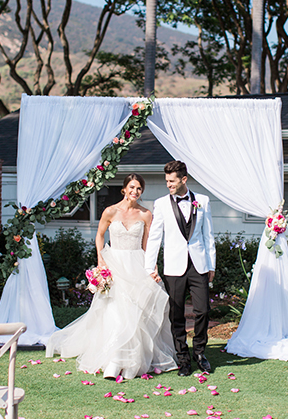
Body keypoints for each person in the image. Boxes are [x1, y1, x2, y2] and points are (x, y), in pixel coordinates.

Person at [46, 173, 177, 379]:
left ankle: (130, 361)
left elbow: (148, 246)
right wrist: (100, 260)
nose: (135, 192)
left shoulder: (145, 214)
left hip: (137, 265)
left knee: (136, 313)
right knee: (116, 312)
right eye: (132, 187)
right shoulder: (110, 211)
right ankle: (114, 361)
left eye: (139, 189)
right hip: (114, 264)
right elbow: (99, 235)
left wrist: (153, 269)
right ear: (124, 188)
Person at [145, 160, 216, 377]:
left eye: (172, 181)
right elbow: (155, 236)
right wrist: (150, 266)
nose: (169, 185)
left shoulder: (203, 201)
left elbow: (208, 234)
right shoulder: (161, 204)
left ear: (184, 179)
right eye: (167, 181)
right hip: (174, 267)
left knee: (203, 310)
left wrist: (211, 264)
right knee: (176, 315)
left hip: (199, 264)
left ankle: (201, 353)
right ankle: (183, 358)